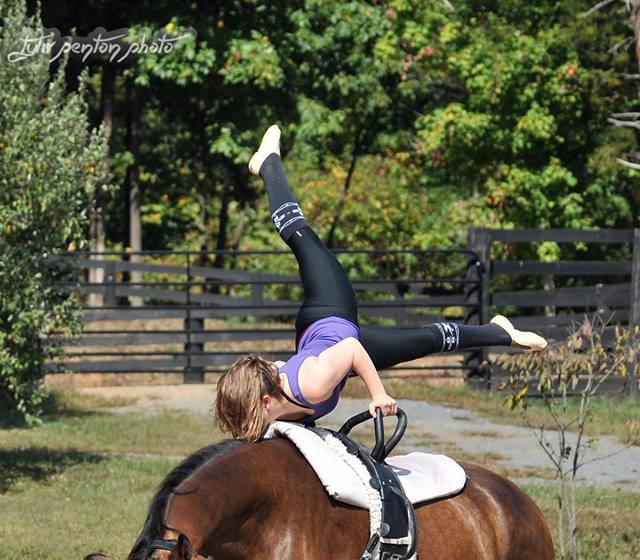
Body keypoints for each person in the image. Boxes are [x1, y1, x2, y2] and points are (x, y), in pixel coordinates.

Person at [215, 125, 546, 442]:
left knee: (300, 235)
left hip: (331, 313)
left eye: (248, 421)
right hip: (321, 347)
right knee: (424, 341)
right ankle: (500, 332)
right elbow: (272, 369)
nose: (246, 432)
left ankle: (268, 163)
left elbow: (351, 348)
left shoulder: (312, 384)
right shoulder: (272, 392)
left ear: (267, 402)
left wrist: (378, 394)